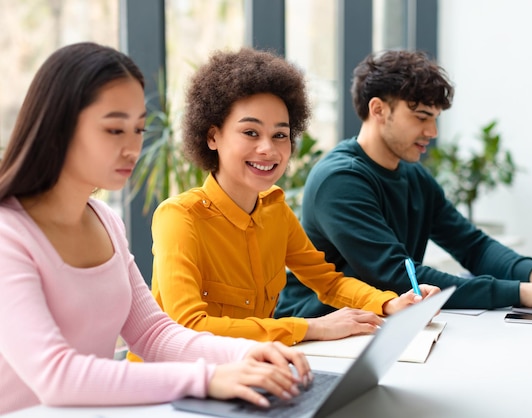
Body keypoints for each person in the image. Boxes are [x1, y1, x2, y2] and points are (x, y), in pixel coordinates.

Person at [0, 42, 313, 415]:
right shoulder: (9, 234)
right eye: (115, 130)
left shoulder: (105, 221)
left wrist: (246, 352)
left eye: (138, 129)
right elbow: (56, 376)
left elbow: (153, 334)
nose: (133, 147)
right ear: (58, 127)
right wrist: (207, 379)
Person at [275, 49, 532, 319]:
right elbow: (395, 277)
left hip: (385, 324)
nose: (432, 133)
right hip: (320, 331)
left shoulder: (413, 174)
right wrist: (523, 293)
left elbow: (472, 245)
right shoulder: (340, 179)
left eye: (435, 119)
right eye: (421, 117)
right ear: (378, 110)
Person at [139, 48, 439, 351]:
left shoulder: (274, 210)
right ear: (212, 136)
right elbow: (189, 326)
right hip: (172, 384)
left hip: (248, 372)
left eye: (280, 135)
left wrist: (389, 304)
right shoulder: (179, 217)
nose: (268, 149)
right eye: (250, 132)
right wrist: (311, 327)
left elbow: (328, 282)